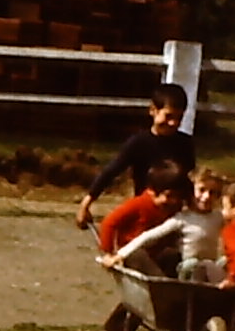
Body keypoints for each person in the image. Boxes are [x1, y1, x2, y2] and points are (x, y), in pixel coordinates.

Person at [74, 84, 196, 234]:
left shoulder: (184, 143)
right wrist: (86, 204)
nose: (174, 123)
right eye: (168, 116)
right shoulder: (139, 143)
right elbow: (111, 172)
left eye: (179, 118)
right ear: (153, 110)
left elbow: (189, 180)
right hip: (146, 209)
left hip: (175, 212)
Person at [94, 161, 187, 331]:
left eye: (178, 197)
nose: (174, 201)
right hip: (132, 254)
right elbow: (109, 223)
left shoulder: (173, 208)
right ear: (152, 191)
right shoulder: (138, 204)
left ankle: (176, 330)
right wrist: (108, 252)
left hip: (157, 257)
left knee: (171, 262)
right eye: (169, 196)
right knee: (151, 293)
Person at [124, 170, 228, 286]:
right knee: (192, 264)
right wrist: (121, 254)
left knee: (224, 262)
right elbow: (149, 236)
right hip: (186, 268)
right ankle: (186, 294)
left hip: (208, 267)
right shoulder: (182, 218)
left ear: (218, 196)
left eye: (212, 193)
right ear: (191, 191)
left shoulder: (218, 217)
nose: (206, 197)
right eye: (202, 190)